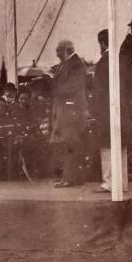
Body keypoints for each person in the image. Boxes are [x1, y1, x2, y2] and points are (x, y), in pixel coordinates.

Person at [90, 29, 129, 193]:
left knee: (107, 147)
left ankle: (109, 183)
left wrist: (94, 110)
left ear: (102, 43)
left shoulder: (104, 62)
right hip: (121, 110)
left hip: (106, 111)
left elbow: (98, 91)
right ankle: (123, 183)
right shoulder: (121, 59)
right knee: (121, 147)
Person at [50, 39, 87, 187]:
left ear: (69, 51)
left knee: (70, 144)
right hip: (65, 111)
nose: (57, 53)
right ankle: (70, 177)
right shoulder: (66, 65)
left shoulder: (76, 65)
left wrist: (51, 85)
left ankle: (69, 178)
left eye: (59, 50)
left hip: (71, 112)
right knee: (67, 145)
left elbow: (72, 88)